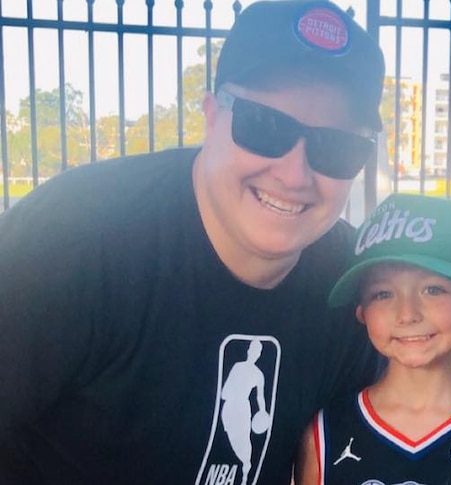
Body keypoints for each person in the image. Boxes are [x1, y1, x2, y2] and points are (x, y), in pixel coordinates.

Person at [0, 1, 384, 484]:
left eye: (336, 146)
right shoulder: (70, 242)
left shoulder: (353, 284)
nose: (293, 173)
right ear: (210, 116)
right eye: (264, 127)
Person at [294, 193, 451, 485]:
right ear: (362, 312)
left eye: (433, 289)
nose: (407, 313)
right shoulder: (325, 435)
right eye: (383, 294)